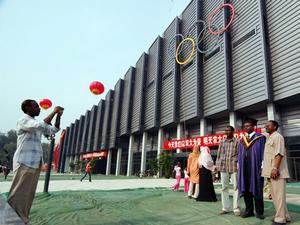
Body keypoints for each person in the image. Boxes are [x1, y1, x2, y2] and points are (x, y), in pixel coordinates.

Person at [7, 99, 63, 225]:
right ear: (27, 108)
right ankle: (9, 219)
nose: (39, 108)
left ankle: (23, 219)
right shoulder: (24, 120)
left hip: (35, 162)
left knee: (28, 194)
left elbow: (53, 130)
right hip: (24, 161)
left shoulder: (36, 123)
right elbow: (40, 125)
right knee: (18, 192)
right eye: (36, 106)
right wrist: (53, 112)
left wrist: (58, 116)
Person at [262, 120, 291, 225]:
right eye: (266, 125)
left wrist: (275, 168)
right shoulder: (270, 137)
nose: (266, 127)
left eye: (268, 125)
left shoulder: (277, 137)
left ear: (274, 127)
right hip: (270, 171)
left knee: (278, 196)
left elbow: (279, 154)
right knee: (276, 196)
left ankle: (280, 219)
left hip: (276, 171)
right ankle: (285, 216)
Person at [238, 118, 266, 220]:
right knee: (246, 190)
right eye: (245, 126)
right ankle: (249, 211)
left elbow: (263, 152)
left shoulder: (260, 138)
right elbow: (239, 154)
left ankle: (259, 212)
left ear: (253, 126)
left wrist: (263, 166)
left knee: (257, 189)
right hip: (244, 168)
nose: (246, 128)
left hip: (256, 167)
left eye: (248, 126)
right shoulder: (242, 140)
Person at [216, 126, 240, 216]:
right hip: (223, 167)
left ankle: (236, 208)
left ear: (233, 131)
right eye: (226, 130)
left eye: (229, 130)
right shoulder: (222, 142)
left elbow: (239, 154)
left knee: (236, 187)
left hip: (234, 166)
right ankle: (225, 208)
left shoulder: (237, 141)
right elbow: (219, 154)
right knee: (224, 187)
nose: (227, 131)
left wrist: (236, 162)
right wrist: (217, 166)